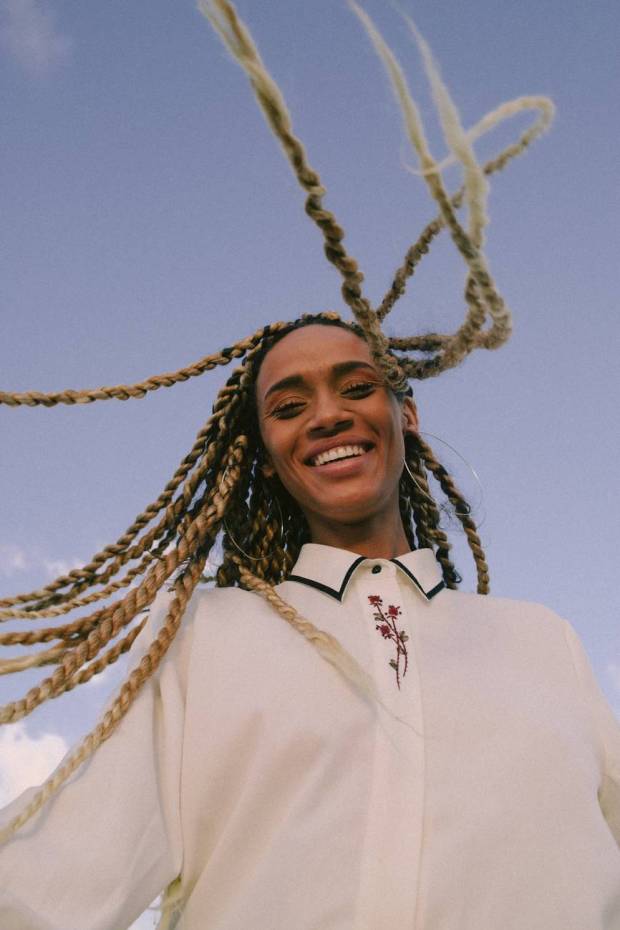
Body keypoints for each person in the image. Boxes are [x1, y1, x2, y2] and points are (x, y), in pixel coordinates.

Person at [0, 2, 618, 929]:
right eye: (287, 405)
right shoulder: (204, 642)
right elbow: (44, 890)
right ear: (264, 456)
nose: (326, 413)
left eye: (355, 385)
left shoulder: (544, 644)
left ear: (404, 414)